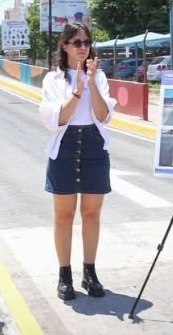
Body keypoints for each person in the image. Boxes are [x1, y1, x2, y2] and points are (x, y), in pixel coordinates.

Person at [39, 22, 117, 301]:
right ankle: (65, 275)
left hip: (94, 144)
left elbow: (104, 116)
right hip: (66, 145)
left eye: (86, 42)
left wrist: (91, 83)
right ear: (65, 46)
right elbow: (56, 120)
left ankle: (90, 272)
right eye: (77, 42)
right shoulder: (53, 79)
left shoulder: (100, 76)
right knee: (64, 215)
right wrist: (77, 90)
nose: (83, 47)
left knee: (92, 214)